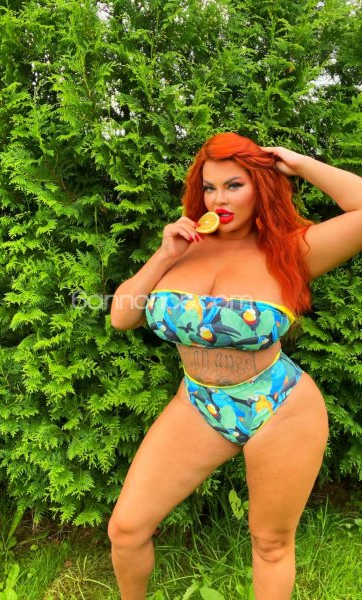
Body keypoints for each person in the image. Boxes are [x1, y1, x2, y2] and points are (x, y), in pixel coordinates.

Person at [108, 132, 362, 600]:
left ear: (259, 188)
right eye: (210, 187)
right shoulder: (185, 247)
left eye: (234, 186)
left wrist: (301, 164)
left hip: (279, 406)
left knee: (270, 543)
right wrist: (164, 253)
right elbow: (122, 316)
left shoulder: (291, 250)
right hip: (198, 403)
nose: (219, 200)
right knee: (125, 528)